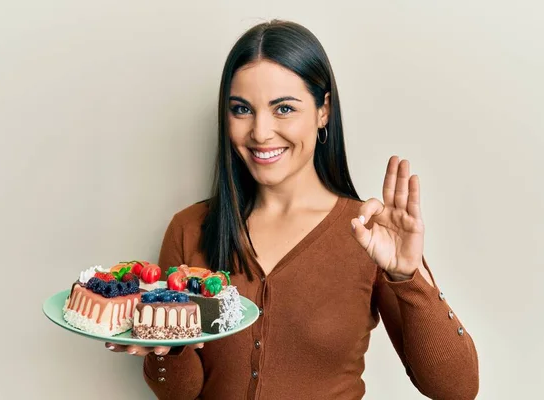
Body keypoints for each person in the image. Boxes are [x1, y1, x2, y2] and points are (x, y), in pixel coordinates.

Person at [106, 20, 479, 400]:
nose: (261, 132)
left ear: (323, 111)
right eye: (241, 109)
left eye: (283, 108)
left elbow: (457, 389)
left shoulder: (371, 234)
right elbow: (179, 394)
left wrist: (408, 276)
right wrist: (169, 348)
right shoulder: (189, 229)